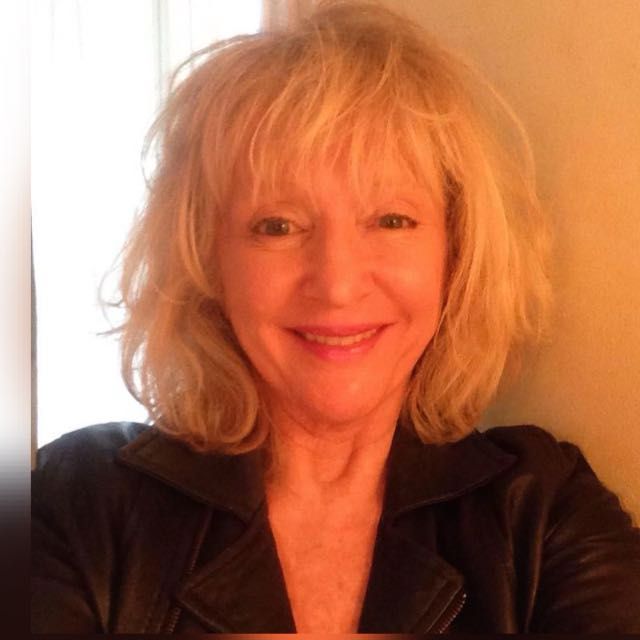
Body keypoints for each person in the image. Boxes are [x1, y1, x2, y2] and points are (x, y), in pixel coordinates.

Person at [31, 1, 640, 634]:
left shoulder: (543, 513)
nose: (338, 284)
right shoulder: (75, 506)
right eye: (277, 226)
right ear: (207, 262)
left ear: (455, 252)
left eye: (392, 220)